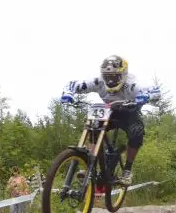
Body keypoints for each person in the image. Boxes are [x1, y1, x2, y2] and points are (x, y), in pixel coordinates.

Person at [60, 55, 161, 186]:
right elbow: (73, 84)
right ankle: (90, 166)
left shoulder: (132, 84)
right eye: (107, 77)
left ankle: (127, 170)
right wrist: (68, 93)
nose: (111, 80)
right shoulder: (98, 81)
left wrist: (146, 96)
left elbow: (155, 91)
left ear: (123, 74)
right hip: (108, 110)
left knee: (136, 132)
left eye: (114, 76)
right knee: (93, 127)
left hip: (128, 111)